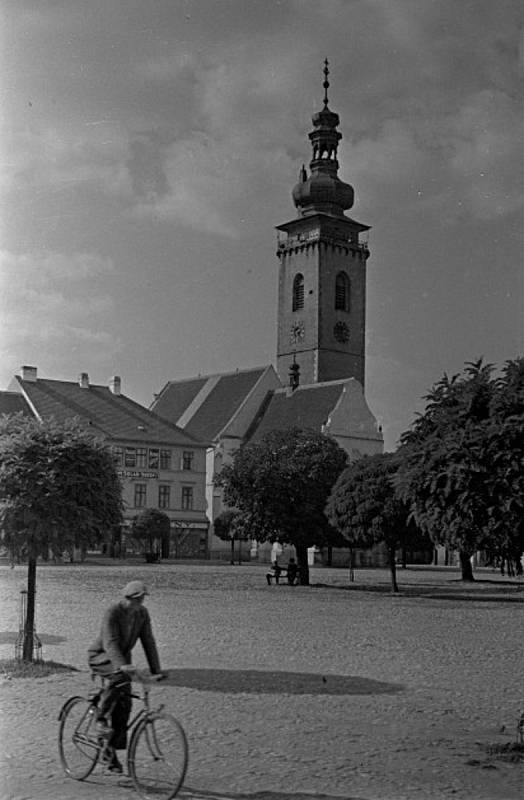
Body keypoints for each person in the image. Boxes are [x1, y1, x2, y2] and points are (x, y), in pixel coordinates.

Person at [88, 580, 163, 773]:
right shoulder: (113, 612)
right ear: (126, 598)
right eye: (135, 600)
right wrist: (123, 666)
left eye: (142, 599)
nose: (138, 604)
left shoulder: (142, 614)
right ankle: (101, 719)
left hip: (123, 660)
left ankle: (109, 750)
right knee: (119, 678)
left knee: (125, 704)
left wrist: (156, 670)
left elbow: (148, 641)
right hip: (102, 656)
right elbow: (110, 643)